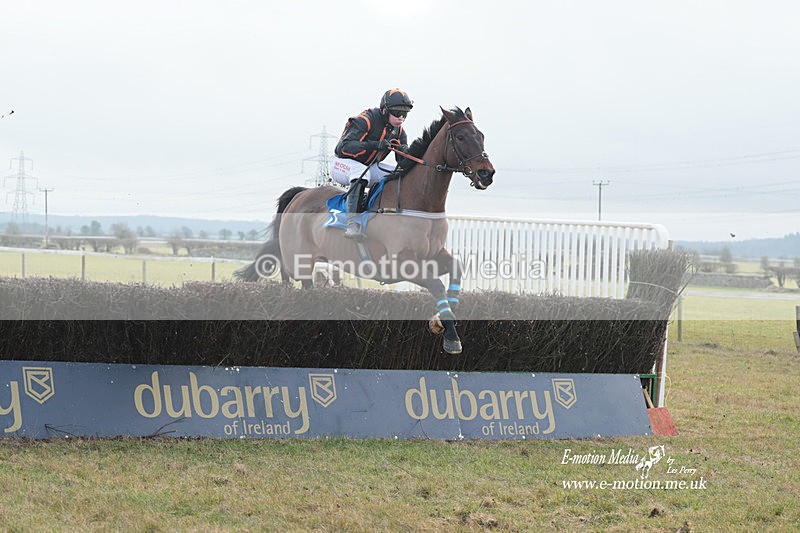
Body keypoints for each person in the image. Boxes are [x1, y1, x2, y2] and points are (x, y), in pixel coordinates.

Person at [332, 88, 412, 239]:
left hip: (368, 166)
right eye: (397, 113)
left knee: (397, 174)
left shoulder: (400, 132)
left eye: (405, 114)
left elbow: (401, 163)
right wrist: (374, 145)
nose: (401, 118)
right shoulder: (365, 120)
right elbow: (343, 148)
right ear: (384, 110)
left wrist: (405, 152)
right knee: (362, 174)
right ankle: (352, 224)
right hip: (342, 163)